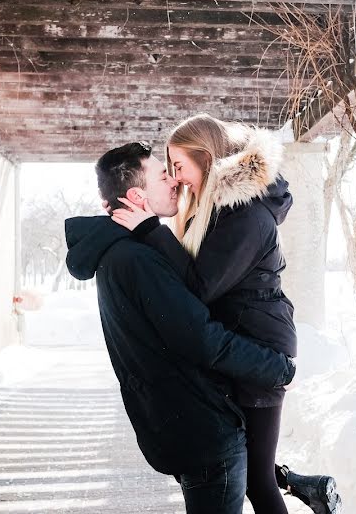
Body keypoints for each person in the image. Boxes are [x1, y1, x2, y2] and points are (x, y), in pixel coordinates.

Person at [109, 116, 342, 514]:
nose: (177, 179)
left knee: (257, 481)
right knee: (246, 461)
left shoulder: (248, 216)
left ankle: (303, 488)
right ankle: (306, 486)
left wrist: (151, 230)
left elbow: (197, 288)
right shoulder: (219, 210)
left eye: (179, 167)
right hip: (236, 345)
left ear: (207, 158)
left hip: (258, 354)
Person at [65, 142, 296, 514]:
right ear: (138, 195)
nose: (173, 181)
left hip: (184, 428)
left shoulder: (117, 254)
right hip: (203, 435)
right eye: (162, 174)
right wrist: (274, 367)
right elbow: (201, 337)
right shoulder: (135, 259)